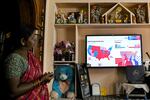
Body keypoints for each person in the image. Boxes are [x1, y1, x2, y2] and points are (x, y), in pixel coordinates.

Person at [2, 25, 53, 100]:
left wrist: (43, 79)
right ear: (23, 41)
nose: (35, 40)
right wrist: (40, 80)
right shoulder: (14, 60)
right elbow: (13, 91)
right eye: (32, 38)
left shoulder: (29, 54)